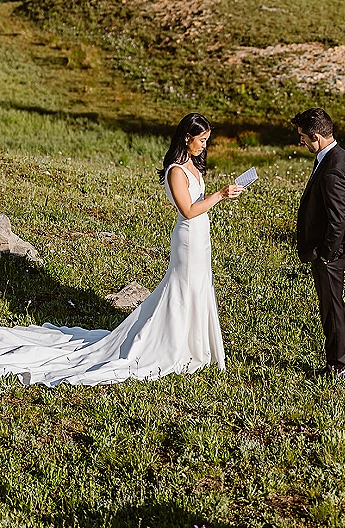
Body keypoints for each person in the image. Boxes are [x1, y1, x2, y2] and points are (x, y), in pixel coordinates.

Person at [0, 113, 242, 387]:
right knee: (182, 288)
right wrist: (219, 195)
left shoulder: (194, 166)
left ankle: (196, 345)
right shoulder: (176, 170)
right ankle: (171, 344)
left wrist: (221, 195)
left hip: (202, 237)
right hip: (187, 239)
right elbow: (187, 210)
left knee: (199, 286)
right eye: (201, 140)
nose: (204, 146)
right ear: (187, 138)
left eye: (207, 140)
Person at [291, 108, 345, 379]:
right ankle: (341, 360)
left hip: (331, 252)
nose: (301, 142)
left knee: (331, 309)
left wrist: (326, 254)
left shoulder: (332, 167)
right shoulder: (340, 157)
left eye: (303, 137)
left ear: (316, 136)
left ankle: (339, 365)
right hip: (331, 249)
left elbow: (338, 218)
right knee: (331, 306)